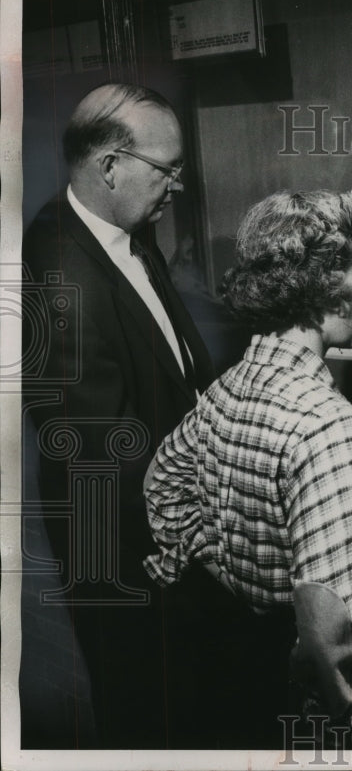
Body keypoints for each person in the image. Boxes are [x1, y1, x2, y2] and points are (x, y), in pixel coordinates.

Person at [142, 189, 352, 740]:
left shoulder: (228, 388)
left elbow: (162, 484)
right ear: (327, 294)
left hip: (239, 663)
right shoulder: (329, 425)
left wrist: (217, 563)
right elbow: (333, 629)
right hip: (310, 709)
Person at [21, 83, 216, 747]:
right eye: (168, 170)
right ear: (109, 168)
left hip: (166, 531)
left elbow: (177, 365)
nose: (178, 187)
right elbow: (100, 444)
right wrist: (217, 507)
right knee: (153, 721)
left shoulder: (129, 229)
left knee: (190, 709)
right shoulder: (59, 267)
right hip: (127, 553)